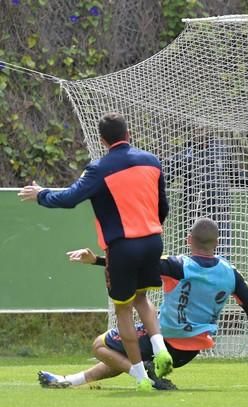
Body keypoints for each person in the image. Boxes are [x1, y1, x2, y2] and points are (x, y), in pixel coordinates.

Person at [18, 112, 173, 391]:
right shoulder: (152, 161)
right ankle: (160, 348)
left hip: (123, 247)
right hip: (152, 240)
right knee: (143, 299)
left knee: (123, 310)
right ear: (128, 134)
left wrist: (41, 194)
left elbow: (69, 198)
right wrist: (150, 228)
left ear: (102, 140)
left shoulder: (99, 169)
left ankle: (140, 376)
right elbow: (163, 206)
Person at [38, 218, 248, 390]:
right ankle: (69, 381)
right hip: (190, 351)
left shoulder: (178, 265)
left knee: (100, 345)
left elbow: (134, 265)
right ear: (217, 242)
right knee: (126, 355)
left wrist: (95, 260)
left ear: (189, 239)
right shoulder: (231, 274)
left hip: (163, 341)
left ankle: (143, 375)